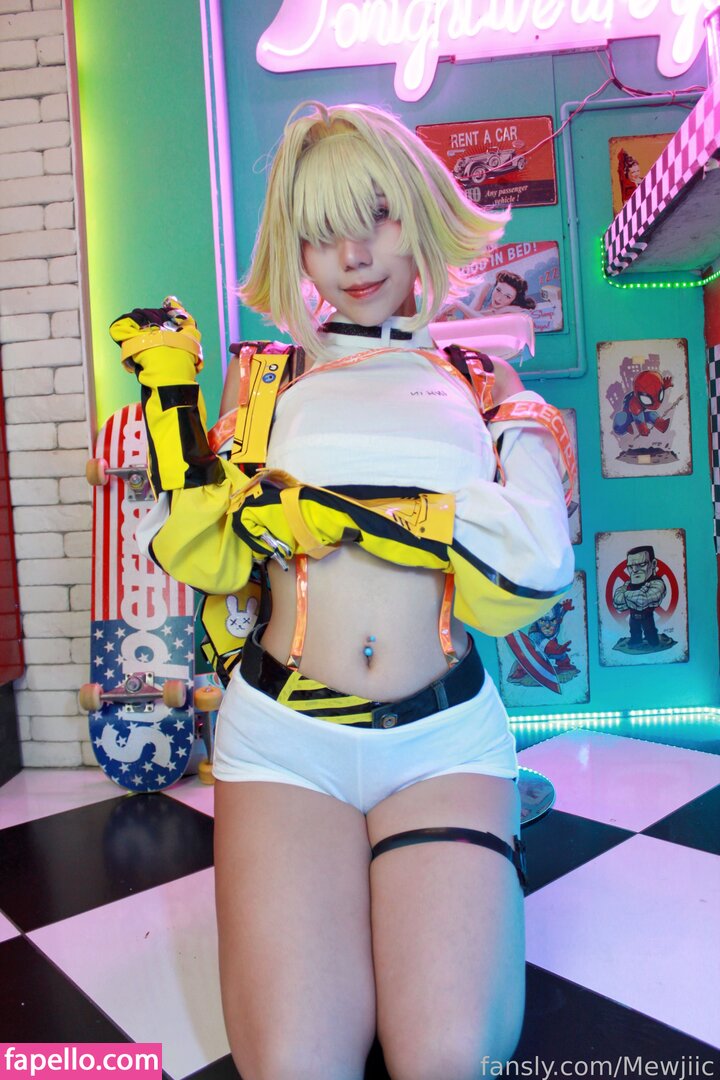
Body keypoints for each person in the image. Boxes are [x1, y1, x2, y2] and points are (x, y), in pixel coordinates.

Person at [111, 101, 574, 1080]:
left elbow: (535, 559)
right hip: (286, 741)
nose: (354, 256)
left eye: (377, 217)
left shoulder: (480, 379)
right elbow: (206, 554)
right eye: (322, 233)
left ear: (420, 210)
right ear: (296, 247)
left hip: (443, 738)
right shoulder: (265, 381)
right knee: (296, 1068)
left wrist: (387, 507)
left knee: (446, 1058)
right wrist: (170, 404)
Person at [439, 269, 536, 321]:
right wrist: (494, 312)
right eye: (498, 290)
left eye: (507, 296)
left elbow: (476, 321)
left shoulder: (512, 309)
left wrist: (458, 304)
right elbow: (467, 318)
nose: (499, 298)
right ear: (495, 286)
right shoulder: (487, 288)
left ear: (513, 300)